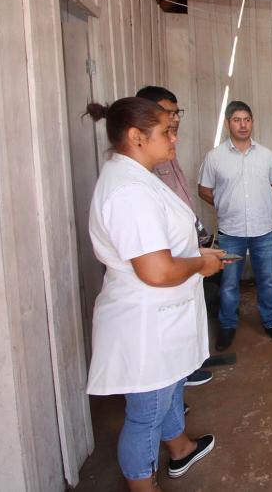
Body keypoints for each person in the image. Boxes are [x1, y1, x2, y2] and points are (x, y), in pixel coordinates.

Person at [85, 97, 225, 491]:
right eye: (165, 131)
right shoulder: (128, 191)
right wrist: (199, 265)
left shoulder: (138, 175)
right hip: (147, 323)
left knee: (169, 389)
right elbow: (157, 270)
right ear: (136, 137)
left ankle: (180, 447)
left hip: (162, 317)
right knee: (146, 414)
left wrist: (196, 255)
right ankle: (142, 487)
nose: (174, 138)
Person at [135, 86, 212, 388]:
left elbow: (180, 200)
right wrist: (198, 261)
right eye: (169, 113)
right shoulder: (135, 180)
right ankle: (177, 381)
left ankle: (183, 376)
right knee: (157, 389)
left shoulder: (164, 151)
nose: (176, 120)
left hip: (181, 255)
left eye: (177, 112)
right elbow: (155, 268)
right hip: (165, 264)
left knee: (181, 333)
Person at [198, 100, 272, 352]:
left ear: (252, 122)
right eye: (237, 120)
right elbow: (204, 189)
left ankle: (271, 323)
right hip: (231, 231)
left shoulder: (267, 155)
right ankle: (227, 326)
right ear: (228, 124)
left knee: (267, 281)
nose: (243, 125)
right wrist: (225, 204)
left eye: (247, 119)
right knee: (229, 283)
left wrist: (261, 200)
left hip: (263, 230)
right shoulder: (215, 157)